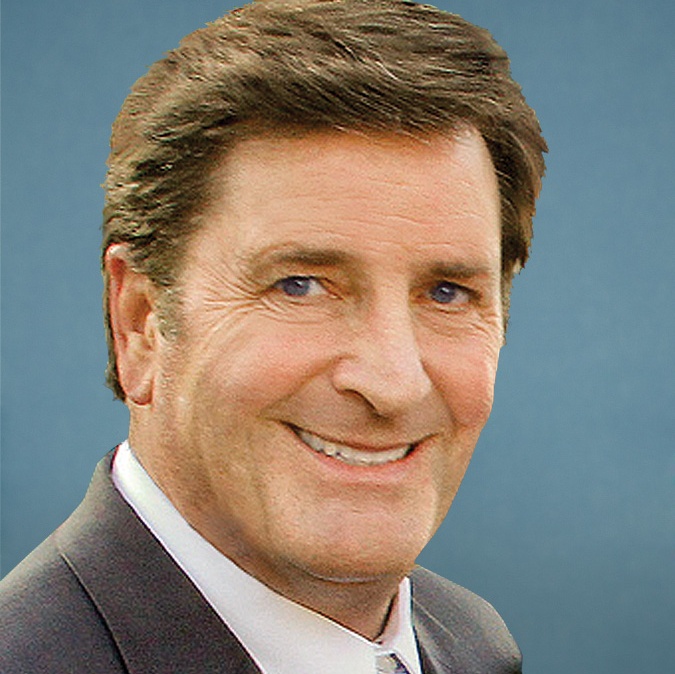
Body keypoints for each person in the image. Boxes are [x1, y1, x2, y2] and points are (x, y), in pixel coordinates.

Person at [0, 1, 546, 672]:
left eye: (446, 293)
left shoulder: (471, 645)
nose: (394, 382)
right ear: (140, 323)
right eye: (300, 285)